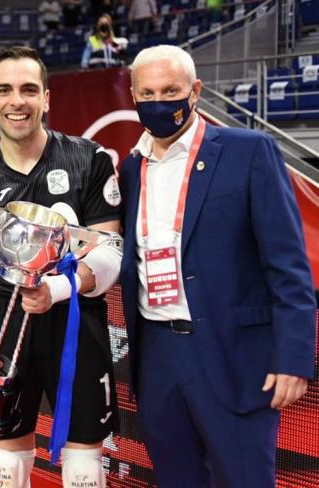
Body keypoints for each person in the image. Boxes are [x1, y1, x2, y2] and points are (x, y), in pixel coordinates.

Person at [118, 44, 317, 488]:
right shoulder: (131, 168)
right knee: (176, 479)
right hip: (157, 356)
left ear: (196, 91)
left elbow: (288, 264)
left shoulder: (250, 151)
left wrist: (294, 358)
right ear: (132, 96)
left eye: (171, 90)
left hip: (234, 354)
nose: (159, 101)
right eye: (147, 93)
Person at [0, 46, 123, 488]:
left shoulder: (90, 160)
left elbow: (110, 251)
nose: (17, 101)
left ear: (46, 98)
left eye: (29, 89)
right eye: (4, 90)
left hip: (76, 323)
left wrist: (57, 291)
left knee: (84, 468)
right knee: (6, 462)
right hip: (0, 330)